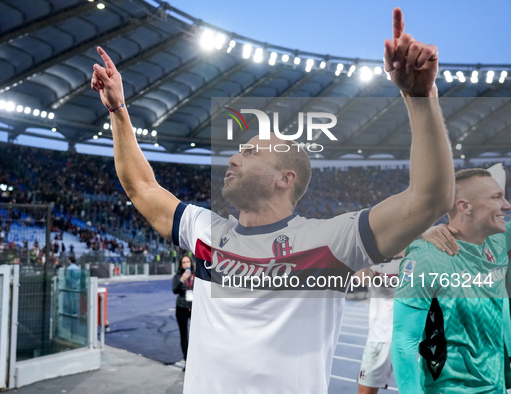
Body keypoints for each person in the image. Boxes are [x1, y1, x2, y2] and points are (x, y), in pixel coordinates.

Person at [91, 8, 455, 393]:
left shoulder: (331, 242)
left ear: (286, 179)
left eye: (249, 153)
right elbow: (142, 188)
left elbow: (430, 199)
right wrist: (118, 109)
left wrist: (419, 96)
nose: (233, 158)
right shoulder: (205, 230)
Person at [392, 169, 511, 393]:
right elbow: (403, 343)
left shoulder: (499, 239)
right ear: (465, 206)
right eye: (496, 198)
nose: (507, 205)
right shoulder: (427, 258)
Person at [357, 251, 403, 394]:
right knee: (365, 390)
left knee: (417, 389)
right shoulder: (374, 259)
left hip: (410, 338)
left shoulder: (417, 255)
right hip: (378, 337)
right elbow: (360, 279)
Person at [172, 254, 194, 369]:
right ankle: (187, 359)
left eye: (187, 262)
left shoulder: (196, 275)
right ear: (181, 265)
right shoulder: (178, 276)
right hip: (181, 307)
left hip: (194, 308)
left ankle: (196, 359)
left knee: (196, 334)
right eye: (183, 262)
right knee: (184, 334)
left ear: (191, 263)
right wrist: (182, 280)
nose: (186, 264)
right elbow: (175, 290)